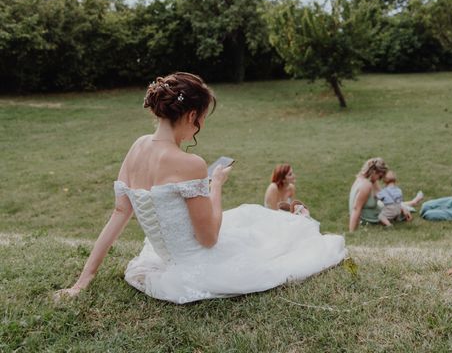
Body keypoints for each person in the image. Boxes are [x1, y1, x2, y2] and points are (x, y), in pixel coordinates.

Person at [55, 72, 345, 304]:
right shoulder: (190, 163)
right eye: (202, 119)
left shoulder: (137, 147)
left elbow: (119, 213)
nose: (200, 127)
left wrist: (83, 281)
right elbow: (208, 239)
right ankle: (297, 221)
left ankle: (293, 220)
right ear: (192, 115)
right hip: (200, 268)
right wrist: (215, 185)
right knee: (271, 243)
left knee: (250, 221)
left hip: (164, 259)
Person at [348, 158, 388, 232]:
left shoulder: (360, 179)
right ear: (373, 172)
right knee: (392, 208)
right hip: (368, 220)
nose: (379, 179)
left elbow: (384, 196)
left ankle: (405, 206)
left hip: (371, 215)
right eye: (379, 177)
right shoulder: (366, 185)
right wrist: (352, 232)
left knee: (388, 204)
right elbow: (356, 208)